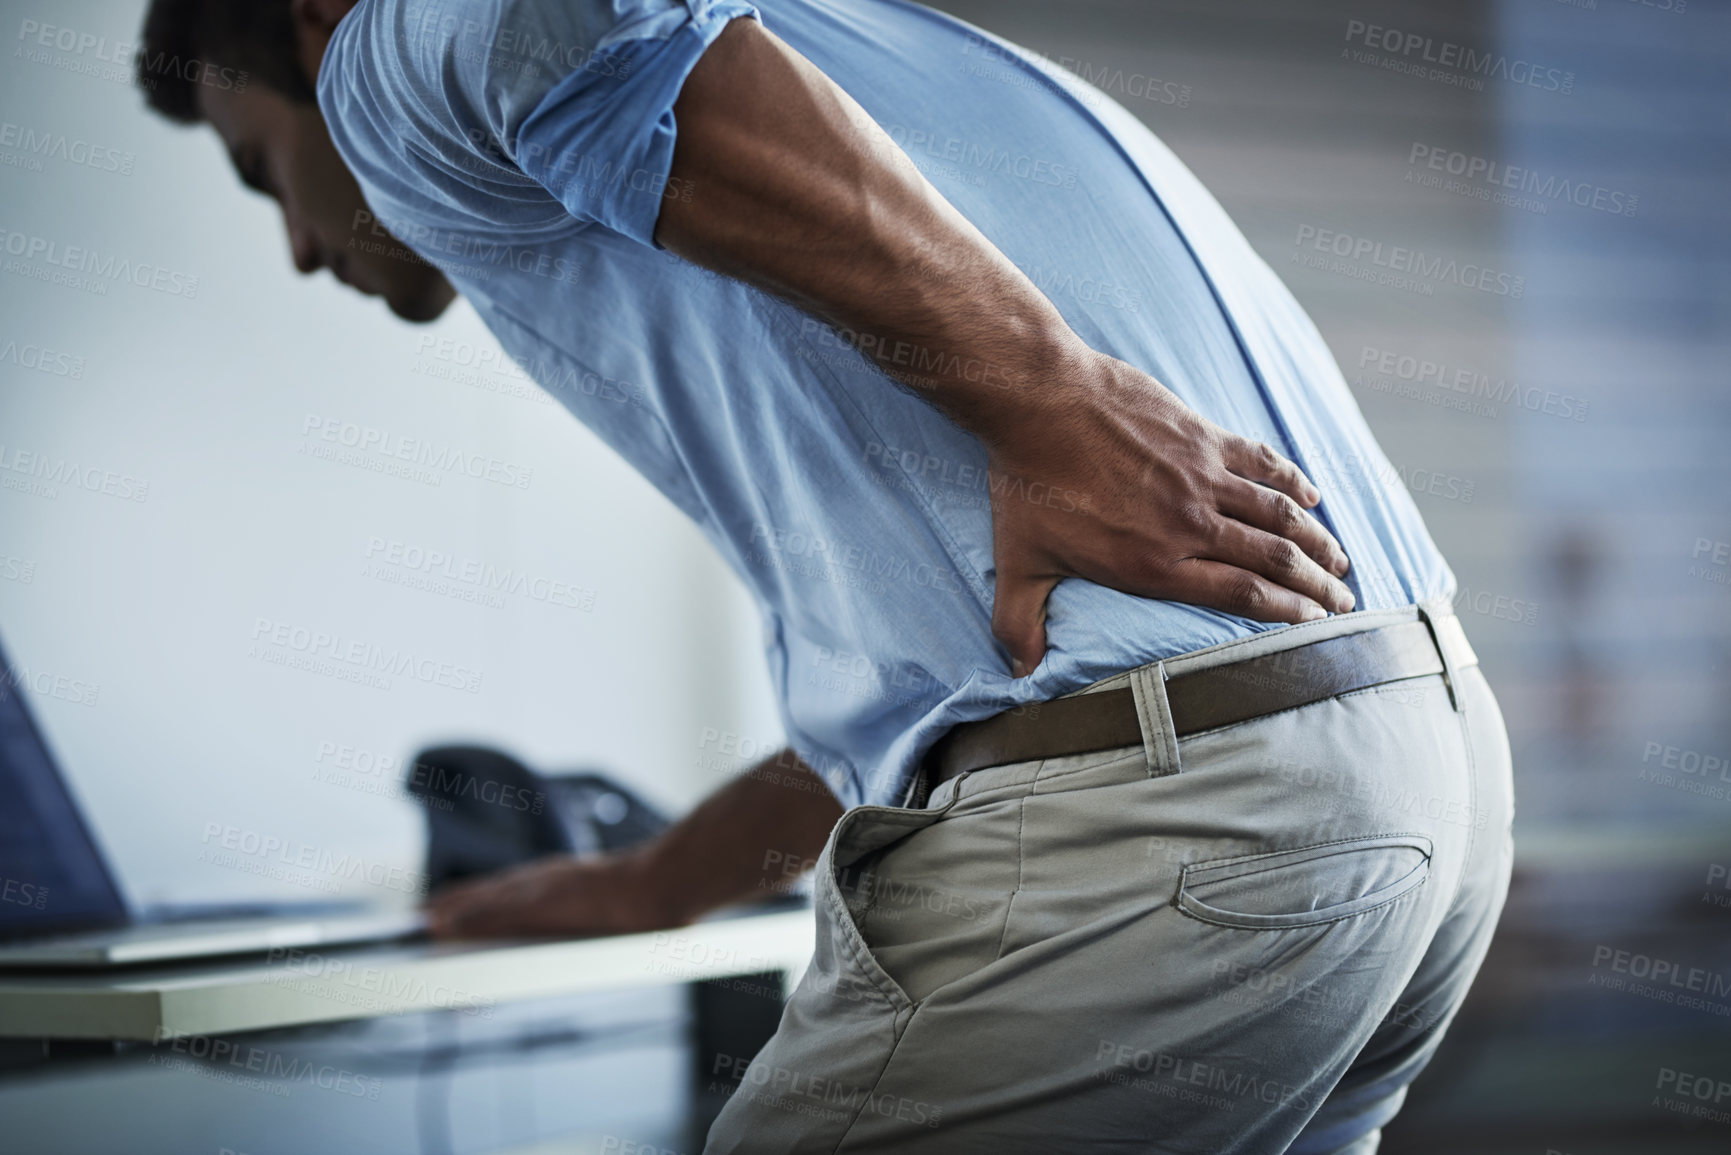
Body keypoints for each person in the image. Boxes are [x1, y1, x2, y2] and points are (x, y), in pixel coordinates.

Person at [135, 0, 1513, 1151]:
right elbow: (992, 692)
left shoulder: (378, 54)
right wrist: (663, 879)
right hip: (1409, 780)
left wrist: (1050, 400)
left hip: (1205, 824)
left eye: (261, 171)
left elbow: (537, 23)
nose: (303, 250)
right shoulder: (866, 78)